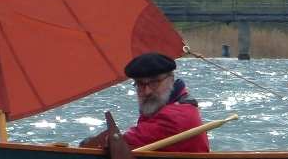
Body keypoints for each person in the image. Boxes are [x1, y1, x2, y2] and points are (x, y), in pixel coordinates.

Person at [79, 52, 209, 153]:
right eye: (141, 84)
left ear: (171, 79)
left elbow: (127, 141)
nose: (147, 91)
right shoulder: (165, 106)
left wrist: (100, 144)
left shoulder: (175, 117)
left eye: (154, 82)